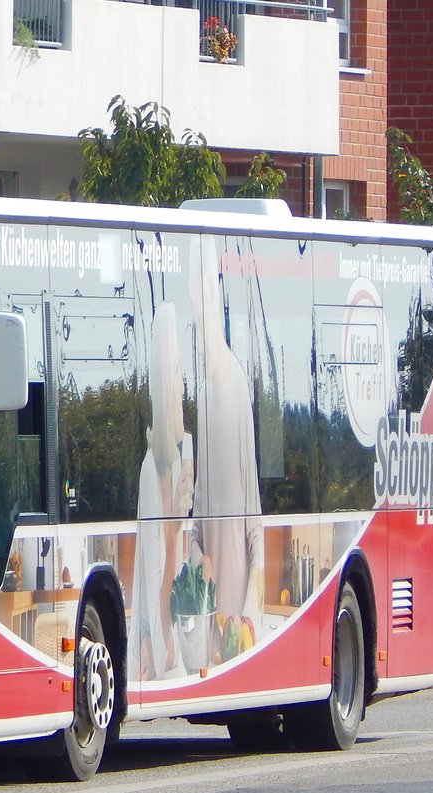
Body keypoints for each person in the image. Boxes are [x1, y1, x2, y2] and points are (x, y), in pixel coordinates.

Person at [187, 236, 264, 646]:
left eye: (205, 301)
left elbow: (256, 527)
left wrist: (247, 616)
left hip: (241, 621)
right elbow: (196, 524)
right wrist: (201, 561)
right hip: (212, 617)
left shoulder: (235, 386)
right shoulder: (204, 391)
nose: (200, 317)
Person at [131, 302, 193, 681]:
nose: (183, 385)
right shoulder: (151, 472)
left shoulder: (181, 458)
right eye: (175, 374)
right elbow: (154, 570)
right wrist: (160, 636)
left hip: (178, 637)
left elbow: (181, 556)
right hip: (167, 644)